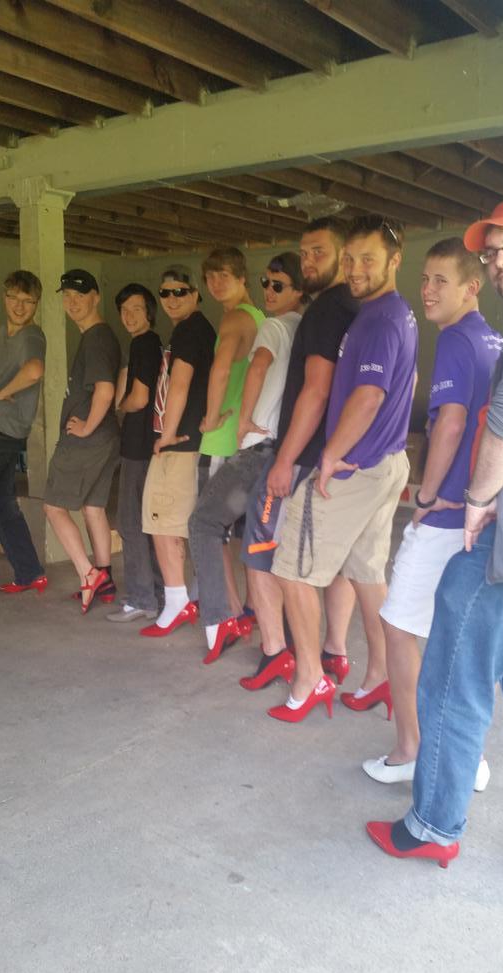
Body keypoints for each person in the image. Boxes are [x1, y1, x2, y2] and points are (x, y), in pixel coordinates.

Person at [367, 196, 503, 874]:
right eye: (493, 249)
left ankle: (432, 827)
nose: (502, 257)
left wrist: (477, 497)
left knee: (451, 681)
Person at [361, 238, 503, 790]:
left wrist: (425, 496)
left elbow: (448, 423)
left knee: (398, 626)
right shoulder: (496, 338)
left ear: (473, 287)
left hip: (447, 516)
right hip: (483, 510)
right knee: (462, 637)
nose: (428, 290)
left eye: (441, 280)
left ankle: (410, 750)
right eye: (425, 279)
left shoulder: (456, 341)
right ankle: (467, 755)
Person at [270, 216, 418, 723]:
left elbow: (369, 394)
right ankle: (381, 678)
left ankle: (310, 678)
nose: (355, 269)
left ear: (394, 261)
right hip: (387, 462)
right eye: (350, 259)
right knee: (365, 572)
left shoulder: (376, 319)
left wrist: (330, 456)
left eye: (368, 259)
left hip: (355, 467)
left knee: (291, 569)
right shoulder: (394, 312)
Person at [239, 217, 359, 693]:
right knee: (336, 561)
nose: (308, 260)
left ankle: (276, 653)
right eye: (304, 252)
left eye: (318, 252)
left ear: (342, 255)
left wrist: (284, 459)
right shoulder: (361, 308)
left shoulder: (326, 310)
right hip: (334, 454)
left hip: (302, 453)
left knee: (260, 548)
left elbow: (315, 389)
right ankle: (335, 652)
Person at [188, 252, 305, 665]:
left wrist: (241, 420)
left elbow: (251, 368)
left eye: (279, 285)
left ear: (298, 290)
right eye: (267, 283)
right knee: (264, 542)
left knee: (204, 521)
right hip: (288, 451)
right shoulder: (303, 327)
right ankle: (280, 635)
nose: (269, 291)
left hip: (258, 446)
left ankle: (220, 619)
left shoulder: (270, 326)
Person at [193, 246, 265, 661]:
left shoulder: (235, 318)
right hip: (250, 441)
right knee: (245, 535)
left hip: (222, 440)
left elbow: (221, 369)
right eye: (210, 277)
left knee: (209, 529)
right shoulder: (262, 320)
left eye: (224, 275)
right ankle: (250, 611)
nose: (216, 283)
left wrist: (210, 415)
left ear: (242, 277)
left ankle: (225, 616)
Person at [139, 265, 216, 638]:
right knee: (176, 523)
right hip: (191, 443)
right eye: (165, 293)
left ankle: (176, 602)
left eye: (180, 292)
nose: (172, 299)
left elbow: (180, 384)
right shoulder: (195, 330)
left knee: (162, 521)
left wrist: (166, 434)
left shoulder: (189, 331)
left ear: (195, 293)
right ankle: (188, 599)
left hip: (180, 443)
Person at [44, 269, 121, 613]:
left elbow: (105, 390)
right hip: (104, 440)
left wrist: (87, 426)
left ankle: (87, 573)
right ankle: (105, 576)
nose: (72, 302)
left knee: (53, 505)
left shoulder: (97, 338)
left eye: (80, 295)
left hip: (87, 440)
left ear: (95, 297)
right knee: (93, 508)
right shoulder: (97, 337)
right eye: (67, 296)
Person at [0, 270, 46, 593]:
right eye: (13, 298)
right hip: (0, 432)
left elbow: (34, 370)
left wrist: (3, 392)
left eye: (27, 301)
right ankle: (30, 572)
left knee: (0, 502)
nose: (19, 307)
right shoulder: (1, 333)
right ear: (4, 297)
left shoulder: (29, 337)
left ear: (36, 304)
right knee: (1, 503)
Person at [106, 284, 163, 623]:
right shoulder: (149, 344)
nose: (129, 316)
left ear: (149, 312)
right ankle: (154, 592)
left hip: (138, 446)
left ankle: (142, 598)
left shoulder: (144, 344)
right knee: (145, 522)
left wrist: (120, 409)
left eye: (136, 309)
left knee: (130, 522)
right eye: (124, 310)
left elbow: (139, 398)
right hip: (148, 446)